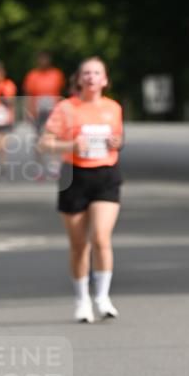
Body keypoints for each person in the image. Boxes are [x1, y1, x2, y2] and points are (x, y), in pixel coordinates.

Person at [39, 56, 123, 323]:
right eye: (86, 73)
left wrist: (116, 142)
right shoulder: (66, 108)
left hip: (106, 175)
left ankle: (102, 297)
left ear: (104, 80)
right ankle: (82, 300)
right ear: (78, 79)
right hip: (74, 176)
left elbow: (118, 139)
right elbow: (44, 143)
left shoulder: (113, 108)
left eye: (96, 73)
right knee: (79, 245)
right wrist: (71, 146)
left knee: (100, 238)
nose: (91, 77)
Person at [22, 51, 66, 133]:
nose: (44, 61)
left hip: (53, 113)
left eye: (46, 58)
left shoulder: (57, 74)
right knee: (38, 134)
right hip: (37, 114)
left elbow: (62, 93)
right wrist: (28, 112)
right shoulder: (32, 75)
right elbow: (27, 95)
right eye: (41, 58)